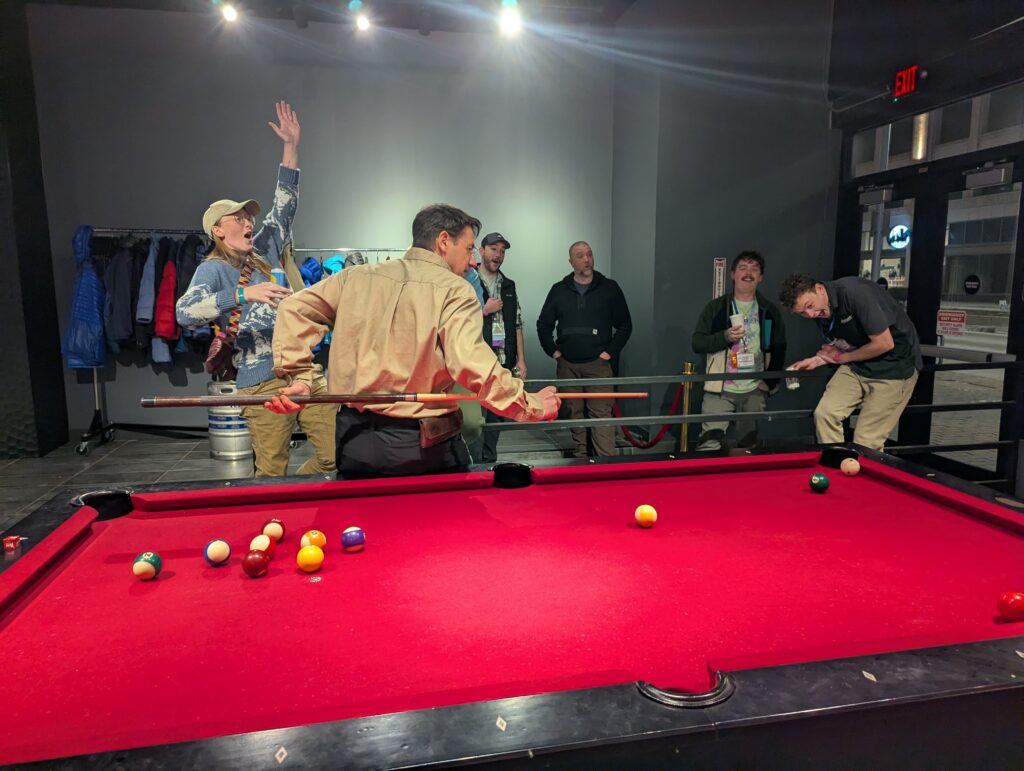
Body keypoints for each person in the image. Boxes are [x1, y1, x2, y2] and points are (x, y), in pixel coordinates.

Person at [265, 204, 561, 479]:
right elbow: (474, 367)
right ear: (444, 241)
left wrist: (301, 376)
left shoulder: (354, 277)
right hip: (422, 447)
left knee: (365, 526)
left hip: (353, 439)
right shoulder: (455, 290)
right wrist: (533, 405)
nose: (472, 260)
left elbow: (294, 308)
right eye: (469, 248)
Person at [176, 102, 336, 478]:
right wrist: (245, 294)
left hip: (303, 372)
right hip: (258, 379)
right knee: (271, 470)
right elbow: (184, 313)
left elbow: (283, 209)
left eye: (249, 216)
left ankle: (301, 494)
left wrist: (291, 148)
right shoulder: (211, 268)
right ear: (218, 230)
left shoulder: (263, 249)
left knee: (335, 454)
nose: (249, 222)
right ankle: (279, 518)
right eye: (239, 218)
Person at [778, 273, 922, 450]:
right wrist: (818, 360)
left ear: (819, 289)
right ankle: (837, 465)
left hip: (896, 366)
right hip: (859, 365)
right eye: (802, 313)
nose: (810, 314)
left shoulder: (855, 293)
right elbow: (844, 345)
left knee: (866, 440)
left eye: (809, 306)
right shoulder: (820, 312)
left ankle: (864, 475)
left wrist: (843, 358)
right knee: (825, 414)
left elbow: (884, 343)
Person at [536, 241, 632, 458]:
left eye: (589, 254)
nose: (586, 259)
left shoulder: (609, 288)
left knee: (601, 415)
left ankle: (605, 464)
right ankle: (581, 461)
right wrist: (555, 352)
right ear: (571, 261)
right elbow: (543, 325)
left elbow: (625, 325)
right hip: (568, 365)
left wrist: (608, 353)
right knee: (574, 414)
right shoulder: (558, 290)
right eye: (580, 255)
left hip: (598, 365)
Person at [692, 251, 787, 451]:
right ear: (733, 274)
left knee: (748, 446)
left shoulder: (768, 311)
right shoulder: (716, 308)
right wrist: (725, 337)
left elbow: (779, 348)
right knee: (708, 444)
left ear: (760, 277)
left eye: (754, 269)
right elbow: (698, 343)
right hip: (720, 388)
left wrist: (769, 382)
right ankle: (708, 482)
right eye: (743, 268)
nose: (748, 273)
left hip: (754, 388)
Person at [469, 232, 527, 463]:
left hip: (502, 362)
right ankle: (474, 466)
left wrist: (521, 360)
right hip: (476, 364)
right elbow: (458, 319)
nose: (498, 255)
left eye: (502, 251)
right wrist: (484, 311)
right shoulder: (467, 280)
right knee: (475, 420)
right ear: (481, 251)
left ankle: (489, 463)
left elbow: (517, 323)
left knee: (496, 418)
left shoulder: (509, 285)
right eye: (494, 249)